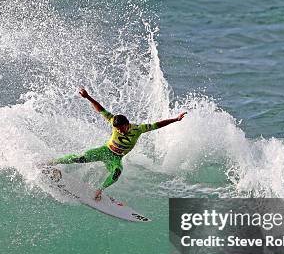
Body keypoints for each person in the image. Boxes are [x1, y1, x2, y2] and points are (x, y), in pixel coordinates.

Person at [50, 86, 187, 201]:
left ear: (127, 124)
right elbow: (100, 109)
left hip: (115, 158)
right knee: (81, 158)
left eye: (122, 129)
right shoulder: (113, 121)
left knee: (116, 172)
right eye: (118, 130)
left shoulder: (138, 129)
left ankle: (99, 191)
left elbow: (157, 125)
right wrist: (87, 97)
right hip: (104, 151)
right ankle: (52, 162)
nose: (120, 132)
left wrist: (175, 119)